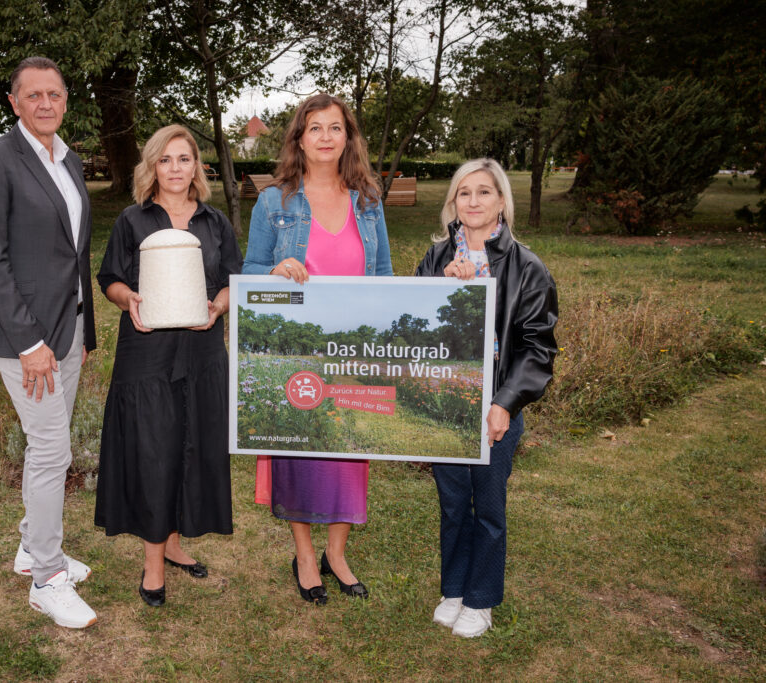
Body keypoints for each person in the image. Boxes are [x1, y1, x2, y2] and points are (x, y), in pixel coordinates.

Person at [0, 57, 98, 629]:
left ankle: (30, 547)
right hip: (26, 341)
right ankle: (46, 578)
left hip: (67, 332)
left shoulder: (69, 159)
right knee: (52, 451)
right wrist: (29, 342)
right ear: (14, 102)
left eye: (55, 94)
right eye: (33, 95)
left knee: (48, 446)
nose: (46, 103)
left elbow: (74, 254)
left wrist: (83, 331)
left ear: (66, 101)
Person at [242, 94, 393, 605]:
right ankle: (305, 556)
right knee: (299, 451)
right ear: (299, 138)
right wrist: (274, 272)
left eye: (335, 128)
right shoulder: (274, 202)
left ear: (347, 138)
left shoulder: (368, 200)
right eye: (314, 128)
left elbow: (385, 278)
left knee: (350, 447)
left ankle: (337, 554)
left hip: (352, 349)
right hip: (297, 349)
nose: (325, 137)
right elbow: (249, 272)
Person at [95, 125, 241, 607]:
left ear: (197, 166)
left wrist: (218, 307)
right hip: (147, 352)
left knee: (192, 446)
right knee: (154, 452)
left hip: (202, 354)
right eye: (165, 160)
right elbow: (109, 276)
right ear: (151, 167)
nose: (176, 169)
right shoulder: (133, 220)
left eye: (184, 159)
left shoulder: (214, 221)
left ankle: (175, 545)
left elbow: (231, 281)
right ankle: (152, 564)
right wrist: (128, 299)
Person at [413, 158, 558, 637]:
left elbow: (538, 348)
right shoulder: (435, 260)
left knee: (488, 507)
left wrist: (505, 403)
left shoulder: (526, 265)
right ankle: (454, 589)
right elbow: (412, 327)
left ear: (501, 202)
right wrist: (440, 291)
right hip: (446, 405)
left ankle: (481, 599)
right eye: (464, 193)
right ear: (454, 201)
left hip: (495, 406)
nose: (473, 202)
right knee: (452, 503)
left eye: (483, 192)